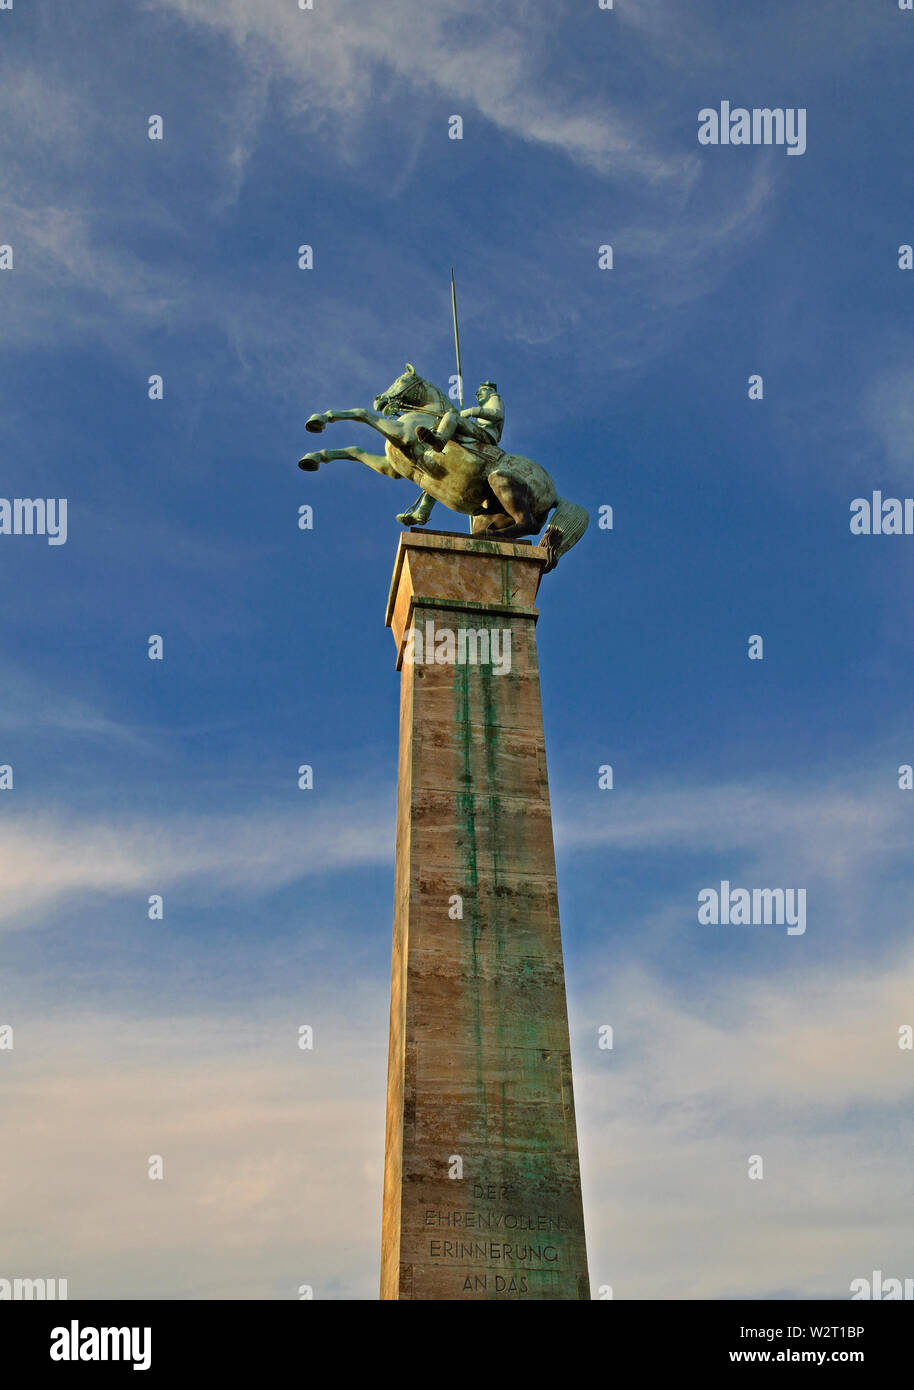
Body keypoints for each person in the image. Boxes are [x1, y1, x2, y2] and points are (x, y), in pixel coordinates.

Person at [417, 381, 504, 453]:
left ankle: (439, 441)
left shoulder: (494, 398)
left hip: (487, 435)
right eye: (477, 393)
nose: (478, 394)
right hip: (481, 433)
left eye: (483, 390)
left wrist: (470, 412)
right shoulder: (486, 405)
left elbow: (497, 415)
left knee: (452, 416)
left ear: (491, 391)